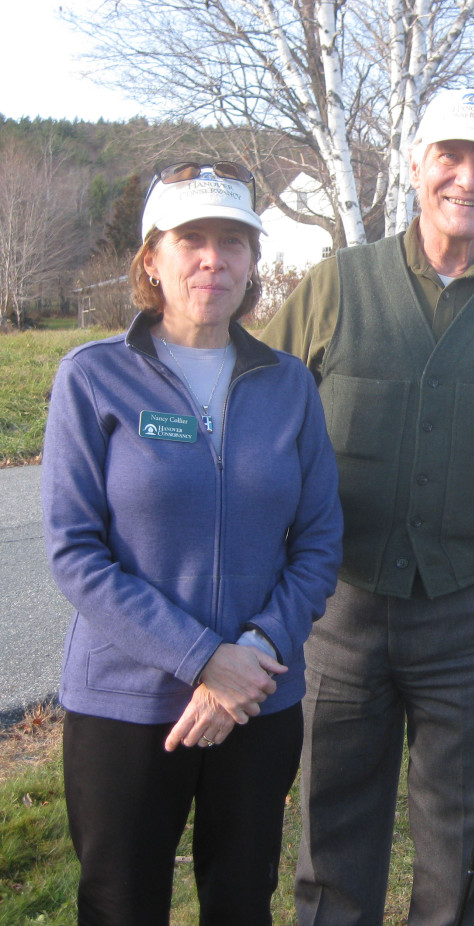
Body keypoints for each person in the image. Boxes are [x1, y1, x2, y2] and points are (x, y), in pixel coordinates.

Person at [261, 88, 474, 926]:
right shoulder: (335, 287)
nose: (467, 179)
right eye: (450, 158)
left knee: (463, 845)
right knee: (333, 835)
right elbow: (255, 417)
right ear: (416, 166)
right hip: (341, 610)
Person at [41, 160, 344, 926]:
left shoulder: (287, 386)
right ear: (151, 257)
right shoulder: (93, 378)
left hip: (258, 700)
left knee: (242, 902)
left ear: (253, 262)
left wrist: (253, 655)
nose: (214, 258)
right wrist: (204, 659)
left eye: (233, 241)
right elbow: (75, 551)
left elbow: (318, 540)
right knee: (120, 905)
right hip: (126, 706)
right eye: (191, 239)